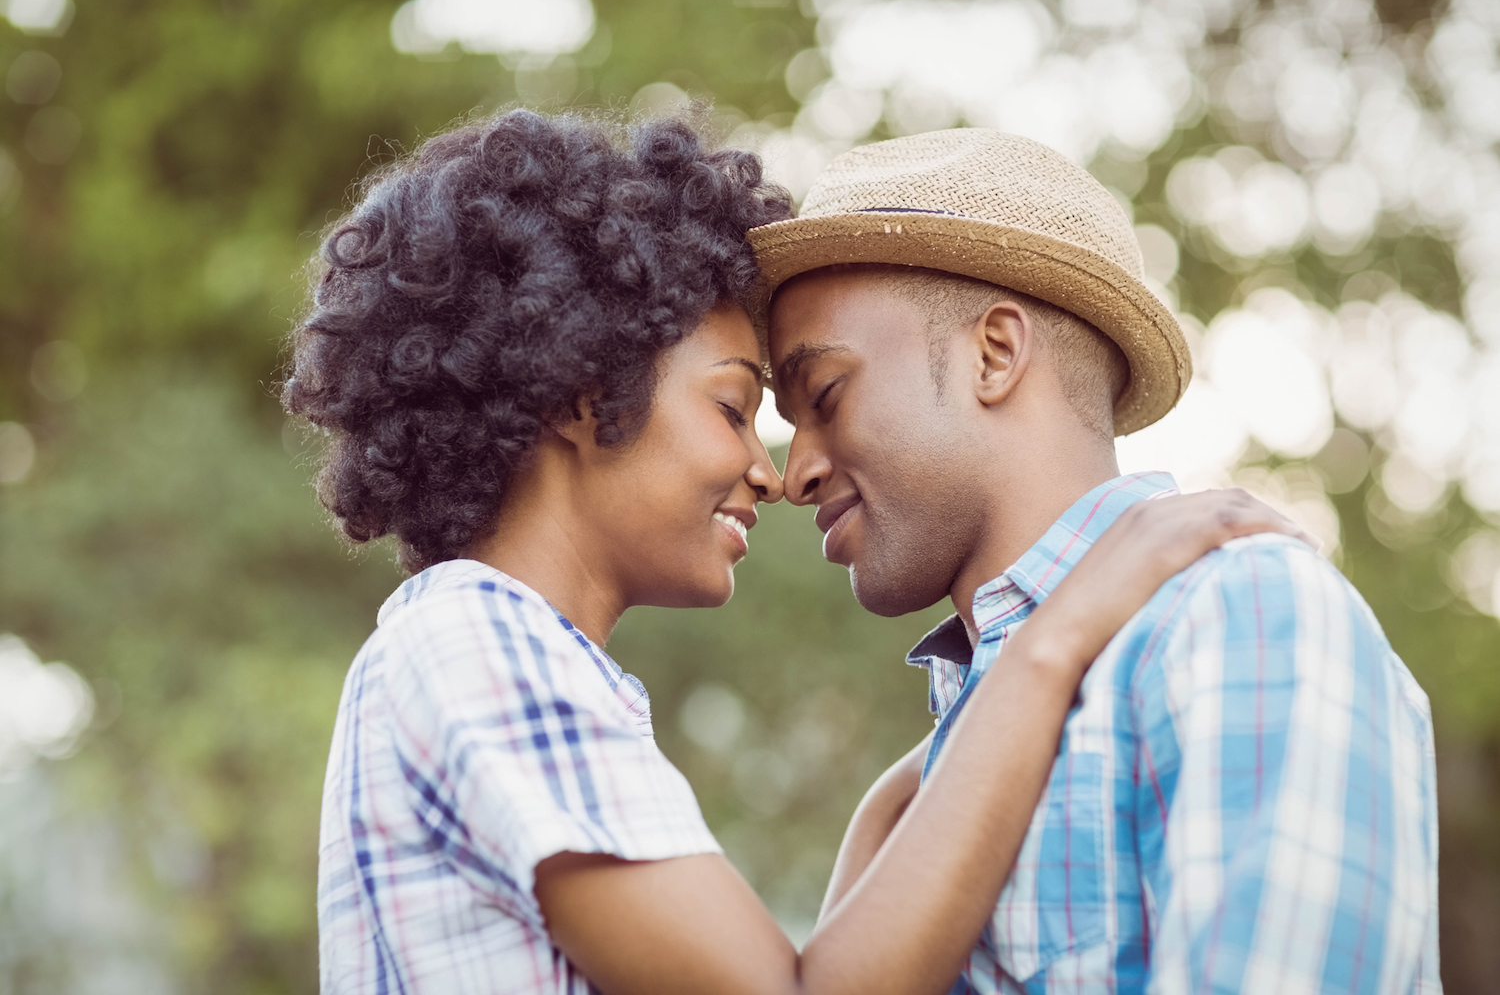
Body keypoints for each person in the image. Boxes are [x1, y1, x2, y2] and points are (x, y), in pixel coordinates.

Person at [286, 109, 1307, 995]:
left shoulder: (493, 657)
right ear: (580, 394)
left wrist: (902, 790)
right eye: (735, 406)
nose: (770, 472)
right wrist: (1060, 636)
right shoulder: (480, 638)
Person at [752, 127, 1442, 994]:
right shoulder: (932, 776)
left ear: (995, 353)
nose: (792, 473)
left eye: (823, 395)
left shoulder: (1240, 617)